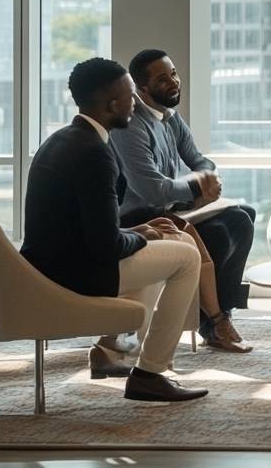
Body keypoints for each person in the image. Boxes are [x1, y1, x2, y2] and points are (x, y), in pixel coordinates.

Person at [20, 58, 208, 403]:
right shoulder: (94, 153)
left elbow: (87, 227)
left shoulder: (64, 139)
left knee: (169, 239)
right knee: (187, 257)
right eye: (131, 96)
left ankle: (118, 348)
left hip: (55, 263)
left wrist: (140, 229)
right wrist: (139, 236)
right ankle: (151, 373)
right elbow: (106, 246)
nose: (135, 103)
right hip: (76, 273)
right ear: (111, 105)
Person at [110, 48, 257, 354]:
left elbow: (201, 161)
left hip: (168, 208)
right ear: (143, 88)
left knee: (243, 217)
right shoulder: (131, 126)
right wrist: (194, 188)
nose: (174, 82)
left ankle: (221, 317)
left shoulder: (171, 118)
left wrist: (205, 179)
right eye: (163, 79)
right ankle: (214, 322)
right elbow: (151, 189)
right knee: (216, 234)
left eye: (174, 74)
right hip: (135, 218)